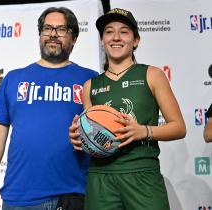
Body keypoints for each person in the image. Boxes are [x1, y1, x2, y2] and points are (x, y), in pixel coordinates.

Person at [0, 6, 98, 210]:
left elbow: (103, 134)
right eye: (47, 28)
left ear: (74, 37)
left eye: (61, 29)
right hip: (17, 197)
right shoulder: (14, 79)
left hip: (70, 195)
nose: (53, 34)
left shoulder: (91, 80)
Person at [69, 8, 186, 210]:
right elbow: (92, 138)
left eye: (124, 31)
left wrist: (144, 131)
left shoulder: (152, 74)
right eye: (108, 31)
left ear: (136, 40)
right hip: (101, 177)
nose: (116, 37)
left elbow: (179, 127)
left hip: (142, 174)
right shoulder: (90, 85)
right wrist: (80, 136)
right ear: (101, 40)